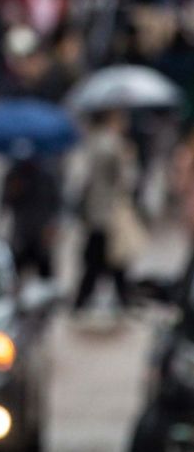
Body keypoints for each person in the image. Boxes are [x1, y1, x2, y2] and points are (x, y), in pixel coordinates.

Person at [73, 111, 138, 313]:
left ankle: (116, 298)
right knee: (108, 259)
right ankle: (113, 299)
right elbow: (126, 180)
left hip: (97, 211)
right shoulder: (114, 145)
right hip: (108, 212)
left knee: (105, 260)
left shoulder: (94, 142)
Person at [0, 143, 62, 279]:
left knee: (44, 269)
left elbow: (57, 203)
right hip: (21, 231)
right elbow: (4, 203)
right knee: (15, 269)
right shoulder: (14, 175)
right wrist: (14, 190)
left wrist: (53, 226)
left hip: (42, 229)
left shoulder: (47, 176)